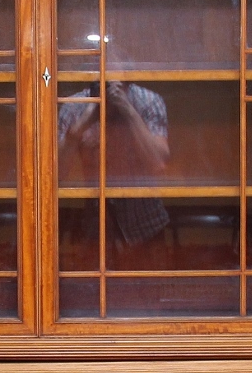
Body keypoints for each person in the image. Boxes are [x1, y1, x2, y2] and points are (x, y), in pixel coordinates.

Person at [58, 80, 170, 247]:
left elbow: (158, 163)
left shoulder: (148, 101)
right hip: (97, 225)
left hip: (146, 224)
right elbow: (55, 175)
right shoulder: (75, 107)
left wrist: (129, 111)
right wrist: (81, 125)